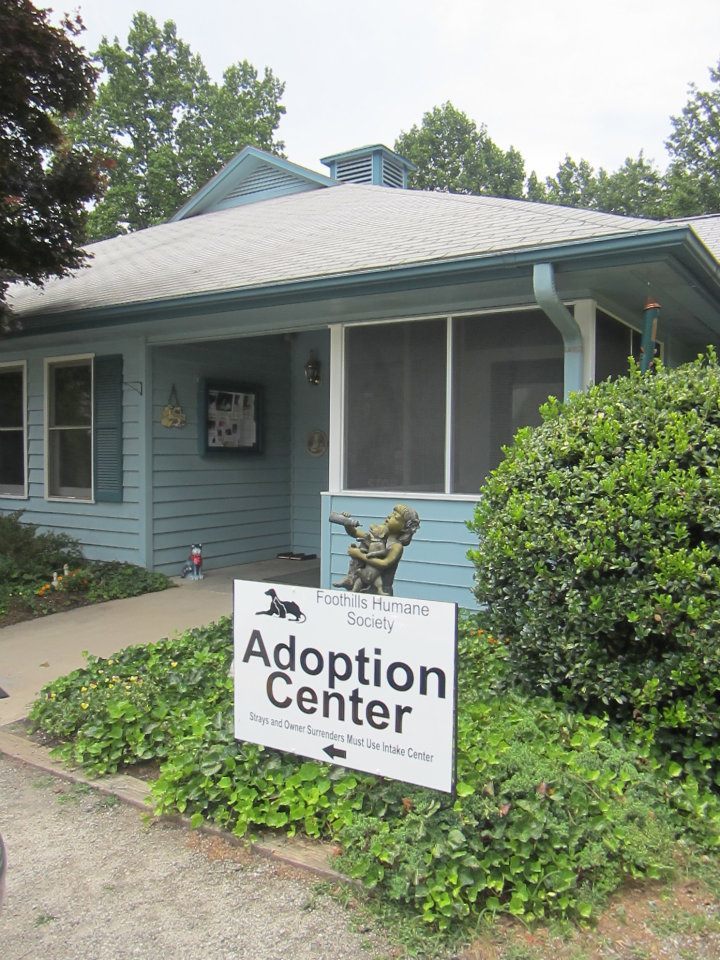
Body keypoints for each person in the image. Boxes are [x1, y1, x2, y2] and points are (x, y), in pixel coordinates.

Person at [333, 504, 420, 596]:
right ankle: (350, 579)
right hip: (363, 585)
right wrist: (348, 524)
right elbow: (354, 533)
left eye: (395, 516)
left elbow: (384, 563)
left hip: (382, 591)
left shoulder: (396, 546)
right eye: (392, 513)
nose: (390, 516)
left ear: (404, 527)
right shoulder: (377, 537)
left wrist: (359, 554)